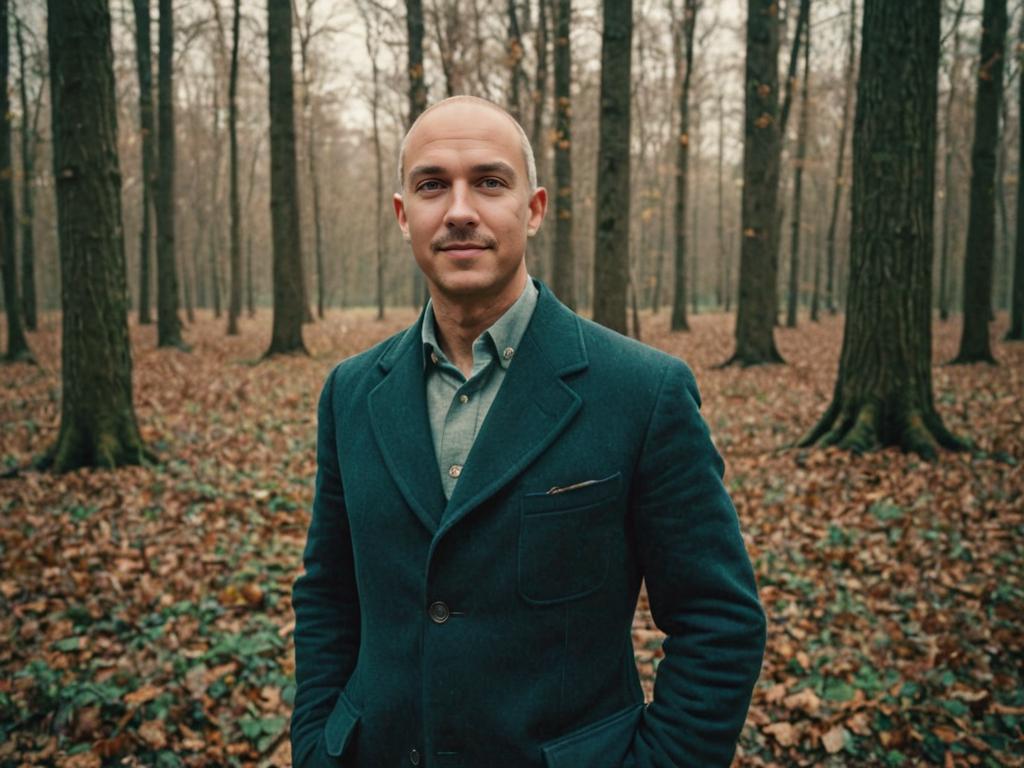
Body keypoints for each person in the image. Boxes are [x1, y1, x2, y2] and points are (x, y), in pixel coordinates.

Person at [290, 95, 766, 768]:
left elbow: (720, 621)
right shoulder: (351, 392)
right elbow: (328, 594)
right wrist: (316, 744)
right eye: (432, 185)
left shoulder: (641, 392)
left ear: (534, 207)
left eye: (489, 181)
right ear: (404, 216)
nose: (459, 210)